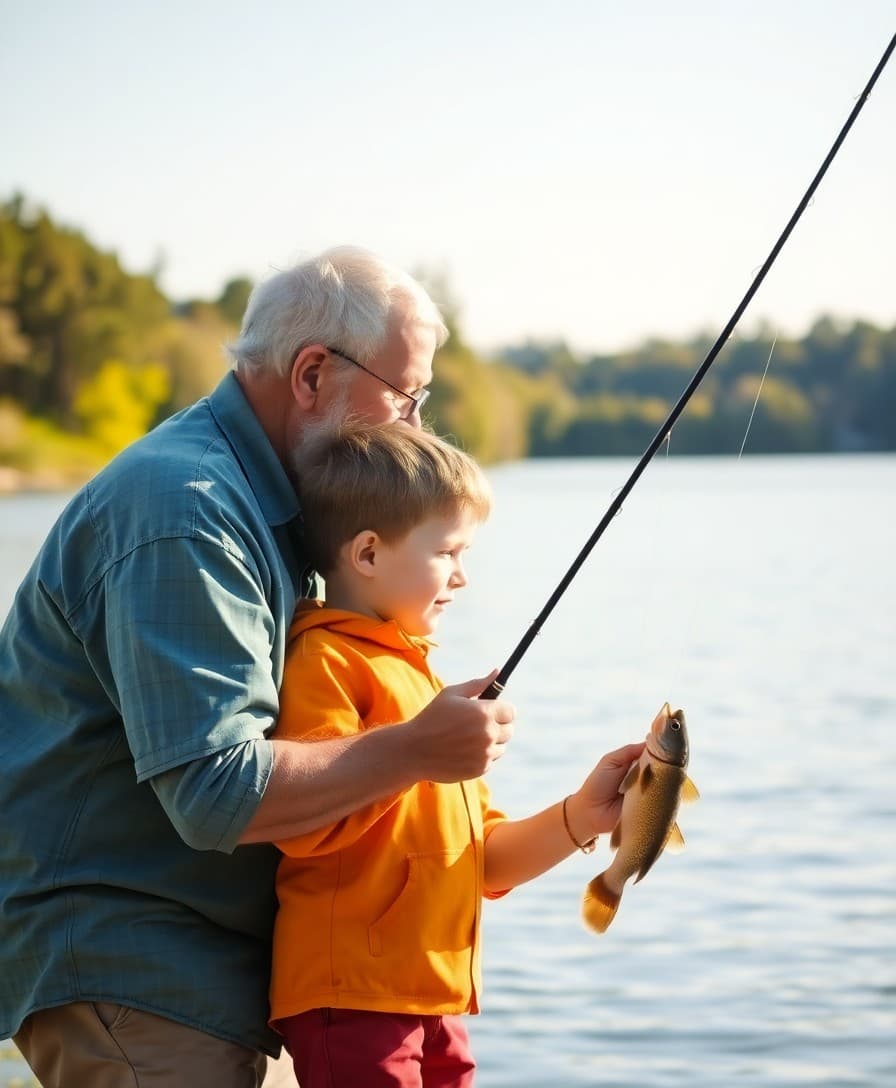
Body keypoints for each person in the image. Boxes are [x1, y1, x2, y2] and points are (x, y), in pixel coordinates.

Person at [0, 247, 518, 1088]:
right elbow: (217, 792)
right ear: (311, 373)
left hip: (217, 971)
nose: (416, 428)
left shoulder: (268, 501)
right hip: (131, 959)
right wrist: (416, 749)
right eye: (406, 396)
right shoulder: (187, 510)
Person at [269, 422, 645, 1088]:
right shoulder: (324, 661)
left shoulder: (421, 680)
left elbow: (484, 860)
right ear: (367, 553)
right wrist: (418, 750)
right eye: (448, 552)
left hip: (435, 993)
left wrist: (581, 816)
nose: (464, 577)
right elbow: (305, 820)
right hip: (354, 993)